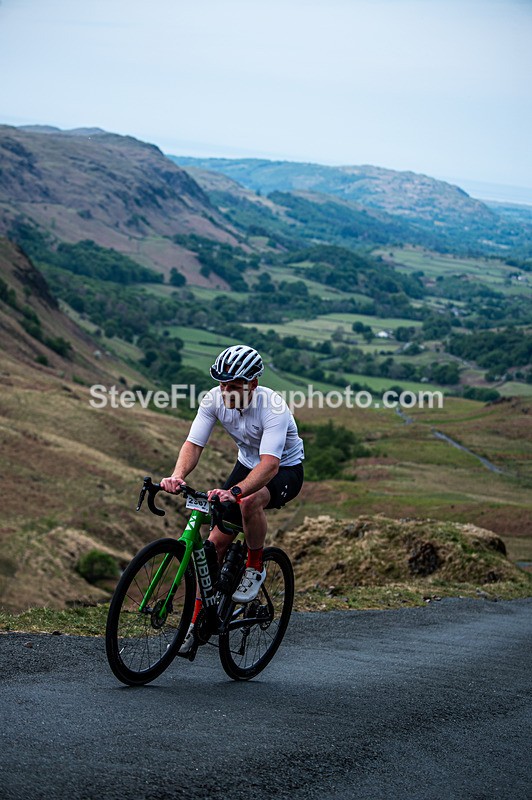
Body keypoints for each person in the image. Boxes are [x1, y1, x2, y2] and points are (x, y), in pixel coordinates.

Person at [161, 344, 304, 653]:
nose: (225, 390)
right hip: (247, 465)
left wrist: (236, 491)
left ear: (252, 384)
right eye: (221, 383)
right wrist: (177, 475)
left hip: (284, 469)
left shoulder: (272, 407)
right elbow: (194, 443)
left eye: (233, 385)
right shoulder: (214, 399)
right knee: (211, 550)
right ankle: (197, 623)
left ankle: (254, 566)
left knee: (248, 502)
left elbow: (270, 464)